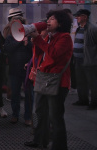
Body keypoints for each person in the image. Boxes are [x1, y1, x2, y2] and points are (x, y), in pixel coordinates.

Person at [24, 10, 73, 149]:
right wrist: (36, 40)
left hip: (58, 82)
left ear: (61, 23)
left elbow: (54, 54)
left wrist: (38, 39)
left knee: (55, 117)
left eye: (52, 19)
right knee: (40, 112)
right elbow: (39, 55)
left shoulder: (65, 38)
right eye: (48, 18)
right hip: (44, 79)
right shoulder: (49, 37)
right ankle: (40, 140)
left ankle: (59, 146)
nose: (48, 21)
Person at [3, 16, 33, 126]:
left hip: (27, 70)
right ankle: (15, 115)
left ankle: (28, 117)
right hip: (14, 69)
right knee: (15, 94)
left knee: (29, 95)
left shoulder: (29, 37)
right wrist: (21, 42)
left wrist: (28, 43)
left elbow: (34, 50)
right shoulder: (10, 37)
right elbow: (8, 49)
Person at [72, 9, 97, 110]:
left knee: (92, 82)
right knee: (80, 81)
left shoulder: (92, 29)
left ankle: (94, 102)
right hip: (78, 60)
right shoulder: (79, 28)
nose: (76, 18)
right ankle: (83, 99)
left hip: (89, 60)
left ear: (85, 17)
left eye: (78, 16)